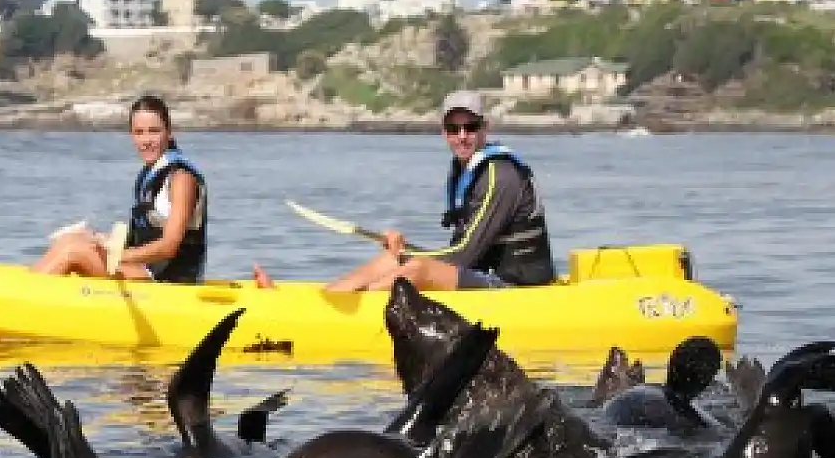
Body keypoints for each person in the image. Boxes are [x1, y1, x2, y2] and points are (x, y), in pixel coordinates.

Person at [252, 90, 556, 293]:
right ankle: (320, 301)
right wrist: (400, 251)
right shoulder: (467, 170)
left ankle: (340, 314)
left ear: (484, 128)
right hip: (484, 273)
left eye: (470, 127)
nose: (462, 136)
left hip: (518, 288)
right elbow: (461, 252)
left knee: (415, 270)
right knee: (391, 259)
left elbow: (462, 256)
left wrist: (408, 251)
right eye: (453, 129)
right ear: (444, 132)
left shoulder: (498, 176)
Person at [32, 93, 209, 282]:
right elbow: (144, 238)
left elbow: (169, 246)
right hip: (146, 270)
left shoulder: (181, 179)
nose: (146, 140)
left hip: (168, 281)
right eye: (139, 132)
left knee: (73, 252)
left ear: (169, 132)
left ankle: (26, 297)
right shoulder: (151, 175)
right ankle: (30, 288)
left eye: (154, 131)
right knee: (71, 241)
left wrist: (116, 256)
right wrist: (101, 240)